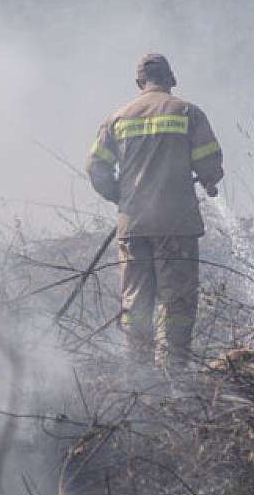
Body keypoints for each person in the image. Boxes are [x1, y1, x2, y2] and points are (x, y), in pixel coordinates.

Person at [86, 53, 223, 375]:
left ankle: (140, 373)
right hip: (175, 223)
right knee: (176, 303)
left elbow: (95, 166)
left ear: (138, 83)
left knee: (136, 301)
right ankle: (174, 371)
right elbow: (209, 163)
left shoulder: (118, 118)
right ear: (172, 79)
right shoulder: (188, 112)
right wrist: (208, 178)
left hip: (133, 225)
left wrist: (120, 195)